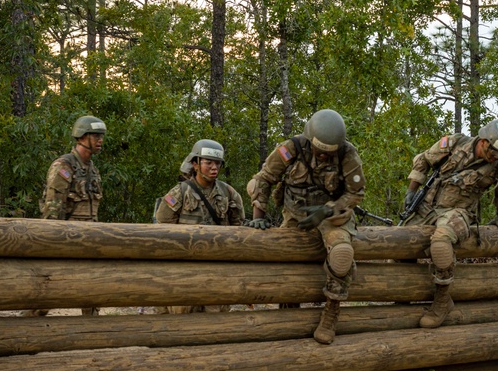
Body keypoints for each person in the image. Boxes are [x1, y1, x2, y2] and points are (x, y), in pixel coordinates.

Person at [245, 109, 366, 345]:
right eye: (320, 151)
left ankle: (331, 311)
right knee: (287, 265)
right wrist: (258, 214)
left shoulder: (347, 153)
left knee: (342, 254)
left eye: (328, 153)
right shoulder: (290, 148)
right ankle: (287, 314)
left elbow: (355, 192)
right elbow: (264, 178)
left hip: (331, 215)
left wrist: (328, 210)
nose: (323, 156)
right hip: (295, 214)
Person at [402, 118, 498, 329]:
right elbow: (424, 160)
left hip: (459, 212)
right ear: (483, 140)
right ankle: (401, 298)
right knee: (398, 245)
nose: (495, 157)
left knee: (441, 242)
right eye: (493, 151)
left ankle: (442, 301)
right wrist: (411, 191)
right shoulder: (454, 143)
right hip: (427, 206)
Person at [24, 115, 106, 318]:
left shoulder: (92, 170)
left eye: (101, 136)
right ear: (81, 137)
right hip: (68, 240)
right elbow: (52, 208)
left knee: (92, 291)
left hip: (90, 239)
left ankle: (92, 332)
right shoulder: (64, 166)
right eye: (95, 135)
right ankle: (27, 326)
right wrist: (52, 243)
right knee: (51, 291)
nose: (100, 140)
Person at [154, 138, 245, 314]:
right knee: (182, 313)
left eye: (218, 163)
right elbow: (163, 225)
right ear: (195, 164)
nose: (214, 167)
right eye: (208, 162)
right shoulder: (179, 192)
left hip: (217, 269)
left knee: (216, 315)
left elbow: (238, 229)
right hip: (185, 270)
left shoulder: (229, 194)